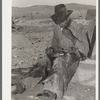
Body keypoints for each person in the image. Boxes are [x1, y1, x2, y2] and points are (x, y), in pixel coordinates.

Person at [12, 4, 89, 100]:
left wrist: (72, 38)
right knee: (43, 61)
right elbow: (54, 44)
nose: (60, 24)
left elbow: (85, 50)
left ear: (67, 18)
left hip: (71, 58)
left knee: (59, 64)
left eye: (62, 21)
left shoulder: (78, 27)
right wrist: (51, 49)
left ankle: (49, 92)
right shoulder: (57, 28)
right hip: (59, 54)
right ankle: (22, 85)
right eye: (58, 21)